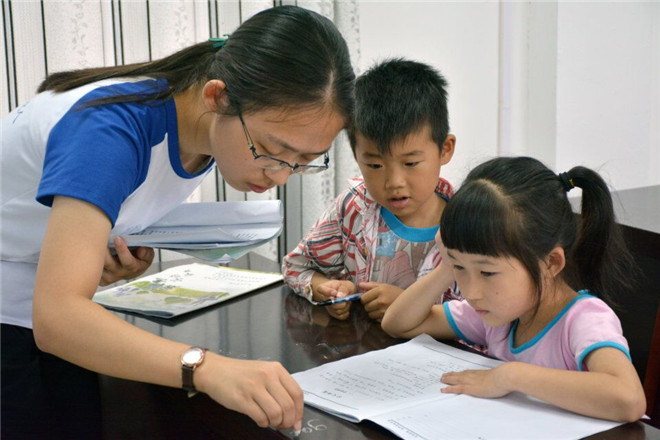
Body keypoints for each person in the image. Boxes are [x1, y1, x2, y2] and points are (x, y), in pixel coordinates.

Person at [0, 5, 355, 438]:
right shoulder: (110, 132)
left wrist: (104, 254)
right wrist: (205, 368)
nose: (280, 176)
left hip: (37, 302)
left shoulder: (206, 129)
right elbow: (57, 317)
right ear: (217, 97)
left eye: (304, 160)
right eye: (271, 150)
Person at [381, 156, 647, 422]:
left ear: (550, 263)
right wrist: (447, 267)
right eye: (460, 268)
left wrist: (511, 376)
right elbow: (398, 324)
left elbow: (629, 399)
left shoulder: (583, 319)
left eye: (487, 272)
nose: (471, 292)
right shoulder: (500, 315)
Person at [283, 59, 460, 322]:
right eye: (375, 165)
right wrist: (328, 289)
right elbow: (295, 268)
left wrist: (407, 306)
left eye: (410, 163)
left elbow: (483, 319)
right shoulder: (353, 207)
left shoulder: (466, 227)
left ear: (445, 149)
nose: (394, 182)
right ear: (357, 156)